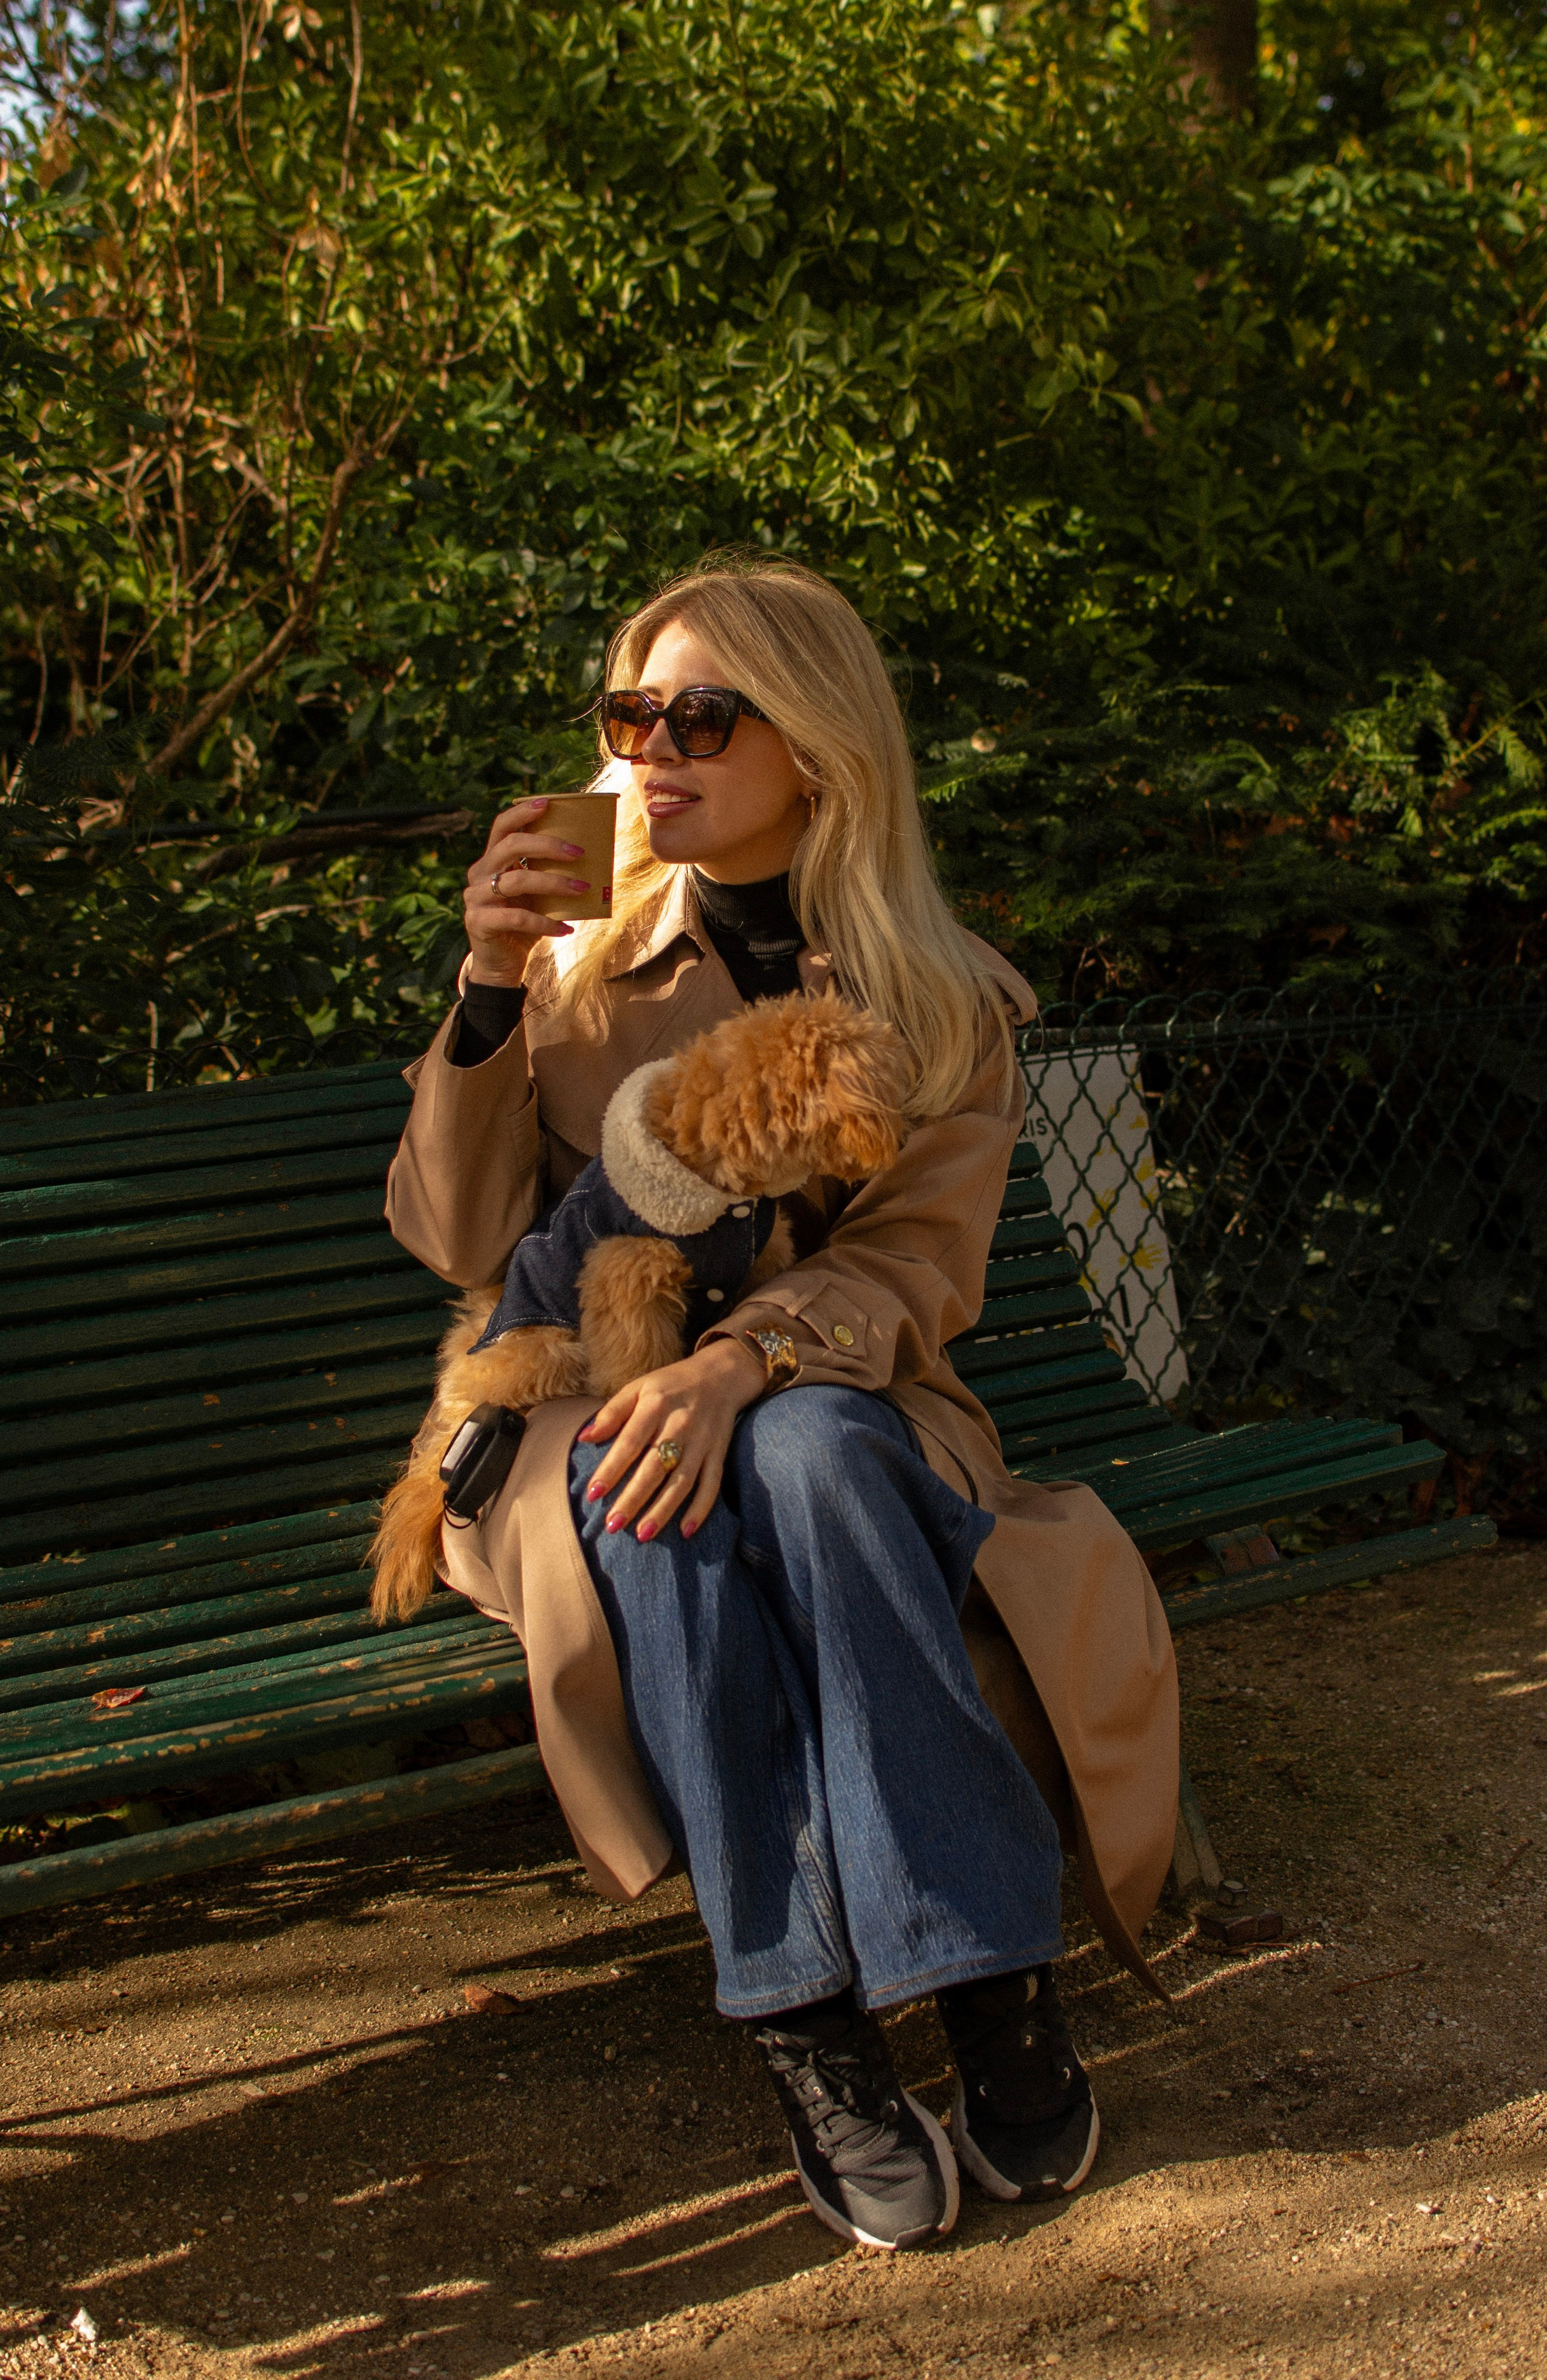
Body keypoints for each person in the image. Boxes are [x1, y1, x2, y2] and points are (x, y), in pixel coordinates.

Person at [384, 555, 1178, 2252]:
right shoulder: (574, 971)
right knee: (637, 1481)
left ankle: (987, 1985)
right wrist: (484, 992)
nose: (654, 750)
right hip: (574, 1398)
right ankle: (802, 2012)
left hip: (841, 1391)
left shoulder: (935, 990)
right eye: (631, 717)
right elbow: (456, 1242)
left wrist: (746, 1360)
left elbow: (917, 1272)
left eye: (703, 717)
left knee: (808, 1455)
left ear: (814, 746)